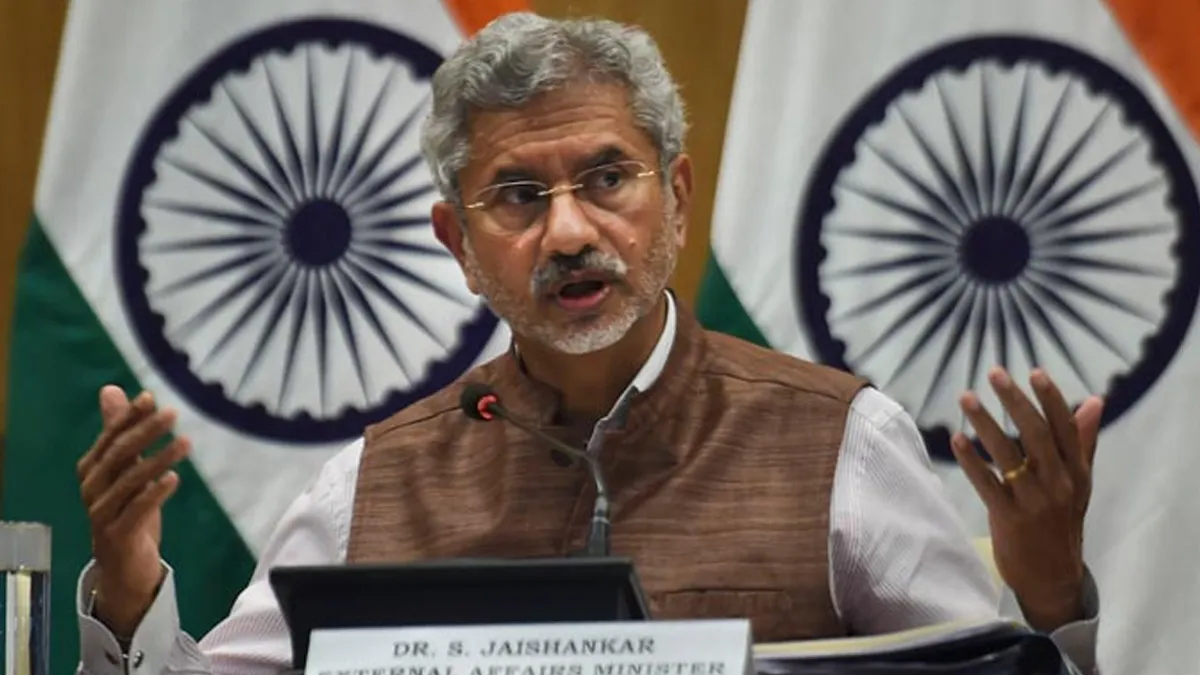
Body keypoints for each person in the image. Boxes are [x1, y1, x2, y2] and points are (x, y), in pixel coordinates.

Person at [74, 11, 1103, 675]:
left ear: (677, 198)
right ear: (458, 244)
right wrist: (126, 591)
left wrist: (1053, 592)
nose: (568, 232)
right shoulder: (375, 481)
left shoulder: (840, 441)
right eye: (518, 195)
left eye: (607, 179)